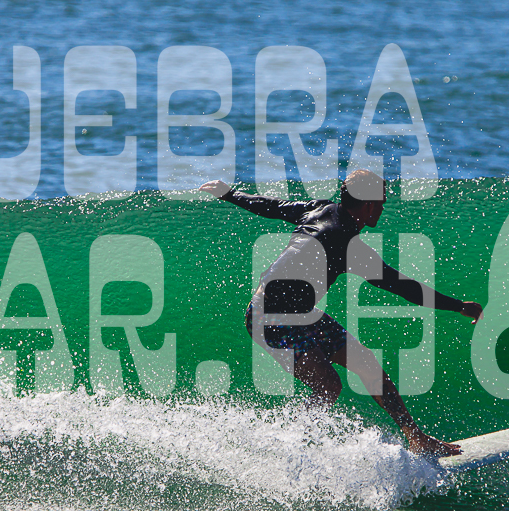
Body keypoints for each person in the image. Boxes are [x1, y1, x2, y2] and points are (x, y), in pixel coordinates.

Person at [199, 170, 482, 457]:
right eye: (381, 203)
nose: (383, 208)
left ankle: (416, 438)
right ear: (369, 205)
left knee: (368, 366)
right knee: (328, 384)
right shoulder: (349, 247)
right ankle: (284, 448)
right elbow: (403, 287)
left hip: (300, 314)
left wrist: (230, 194)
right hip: (269, 317)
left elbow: (274, 206)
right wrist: (459, 306)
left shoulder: (319, 209)